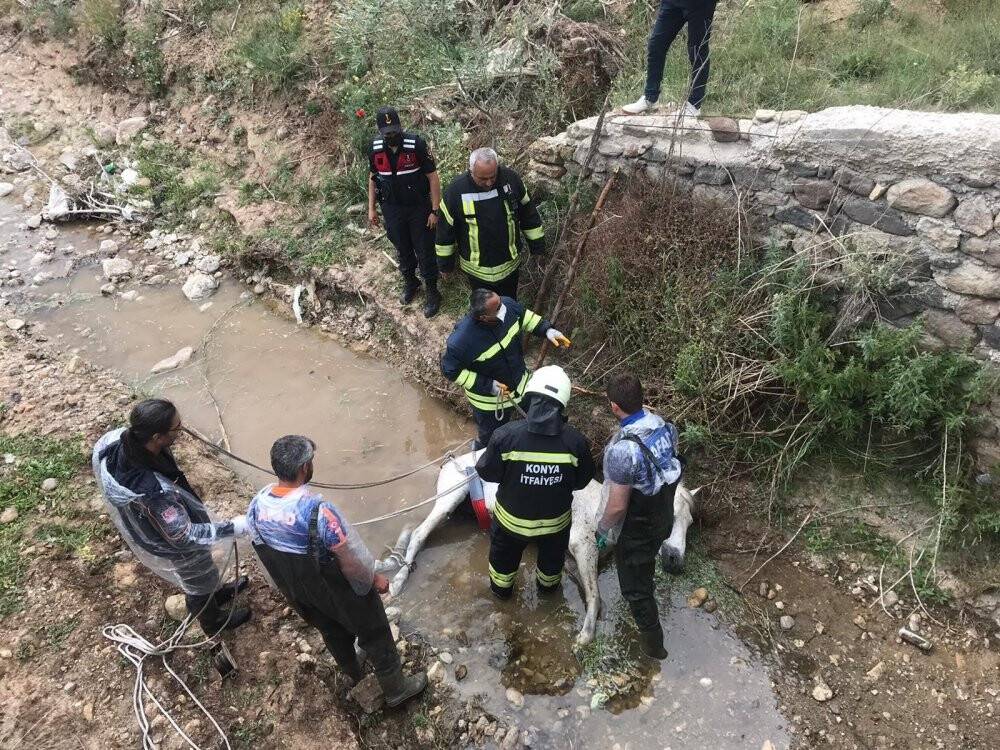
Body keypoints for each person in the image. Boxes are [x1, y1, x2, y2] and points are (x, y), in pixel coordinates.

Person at [246, 435, 427, 706]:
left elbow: (261, 550)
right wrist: (373, 579)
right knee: (375, 632)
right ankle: (396, 690)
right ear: (304, 468)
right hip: (335, 588)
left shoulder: (257, 505)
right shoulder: (319, 512)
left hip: (299, 591)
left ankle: (353, 669)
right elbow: (352, 559)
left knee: (330, 629)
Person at [92, 399, 251, 635]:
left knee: (204, 567)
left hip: (162, 521)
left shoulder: (124, 440)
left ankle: (216, 593)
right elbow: (184, 537)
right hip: (168, 538)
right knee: (195, 574)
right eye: (177, 428)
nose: (182, 431)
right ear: (157, 436)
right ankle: (212, 621)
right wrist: (232, 528)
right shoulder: (152, 493)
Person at [476, 366, 595, 599]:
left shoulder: (505, 436)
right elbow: (582, 481)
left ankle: (502, 600)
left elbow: (487, 473)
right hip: (555, 527)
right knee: (550, 574)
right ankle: (548, 596)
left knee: (502, 571)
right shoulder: (576, 442)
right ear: (563, 402)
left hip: (510, 525)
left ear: (529, 396)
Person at [595, 373, 683, 659]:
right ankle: (647, 578)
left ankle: (654, 649)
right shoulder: (664, 425)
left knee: (635, 590)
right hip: (664, 515)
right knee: (645, 566)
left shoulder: (622, 451)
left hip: (639, 527)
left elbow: (618, 506)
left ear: (614, 407)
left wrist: (602, 530)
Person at [441, 288, 570, 449]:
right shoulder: (461, 341)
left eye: (500, 303)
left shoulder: (507, 305)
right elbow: (450, 370)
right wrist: (488, 385)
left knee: (540, 425)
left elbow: (526, 317)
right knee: (493, 441)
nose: (504, 308)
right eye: (498, 308)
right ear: (484, 317)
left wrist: (547, 330)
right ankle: (483, 454)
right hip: (490, 403)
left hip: (520, 385)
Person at [435, 148, 545, 300]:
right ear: (471, 171)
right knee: (485, 312)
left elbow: (529, 215)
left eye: (492, 177)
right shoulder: (455, 191)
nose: (488, 183)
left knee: (509, 306)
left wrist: (537, 247)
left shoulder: (511, 180)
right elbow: (445, 231)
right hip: (476, 271)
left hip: (509, 266)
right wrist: (445, 265)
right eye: (482, 178)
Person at [368, 106, 442, 318]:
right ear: (380, 130)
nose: (392, 136)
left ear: (400, 127)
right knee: (402, 248)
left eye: (395, 131)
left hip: (419, 208)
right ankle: (411, 283)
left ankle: (432, 292)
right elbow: (373, 178)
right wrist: (371, 208)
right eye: (387, 132)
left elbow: (432, 177)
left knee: (425, 250)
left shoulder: (415, 144)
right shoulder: (374, 148)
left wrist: (434, 210)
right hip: (391, 208)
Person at [621, 0, 719, 117]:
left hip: (701, 5)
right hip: (672, 3)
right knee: (656, 44)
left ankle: (694, 105)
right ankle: (650, 98)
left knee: (697, 51)